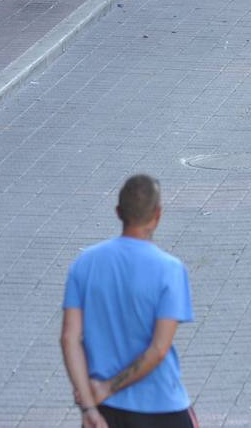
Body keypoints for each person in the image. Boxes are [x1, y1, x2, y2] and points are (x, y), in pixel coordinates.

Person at [61, 174, 197, 428]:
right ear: (158, 215)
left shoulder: (85, 263)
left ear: (118, 212)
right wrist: (106, 388)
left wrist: (90, 405)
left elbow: (69, 338)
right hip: (162, 407)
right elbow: (158, 350)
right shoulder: (170, 270)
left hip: (105, 413)